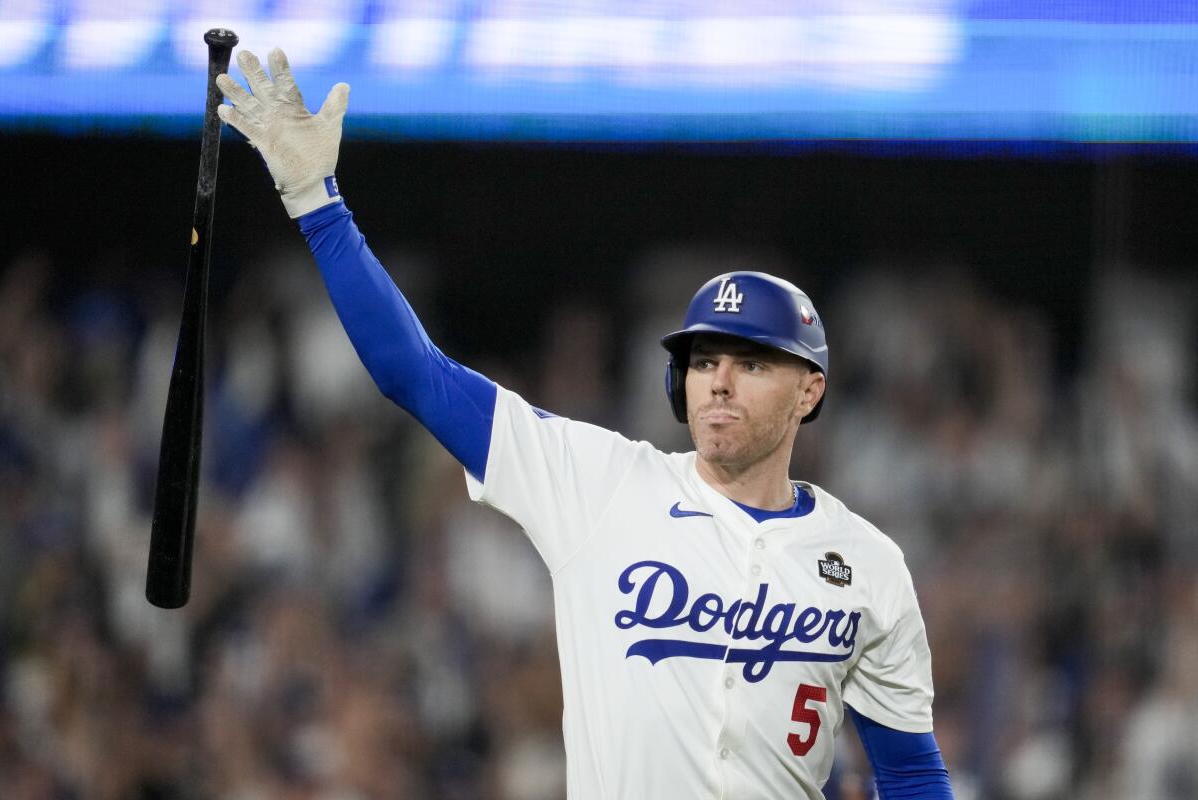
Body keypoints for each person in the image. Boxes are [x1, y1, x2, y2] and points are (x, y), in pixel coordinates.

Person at [216, 48, 955, 799]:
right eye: (703, 363)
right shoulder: (602, 483)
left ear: (809, 392)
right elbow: (415, 374)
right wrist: (317, 202)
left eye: (752, 364)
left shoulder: (865, 564)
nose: (720, 383)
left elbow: (910, 773)